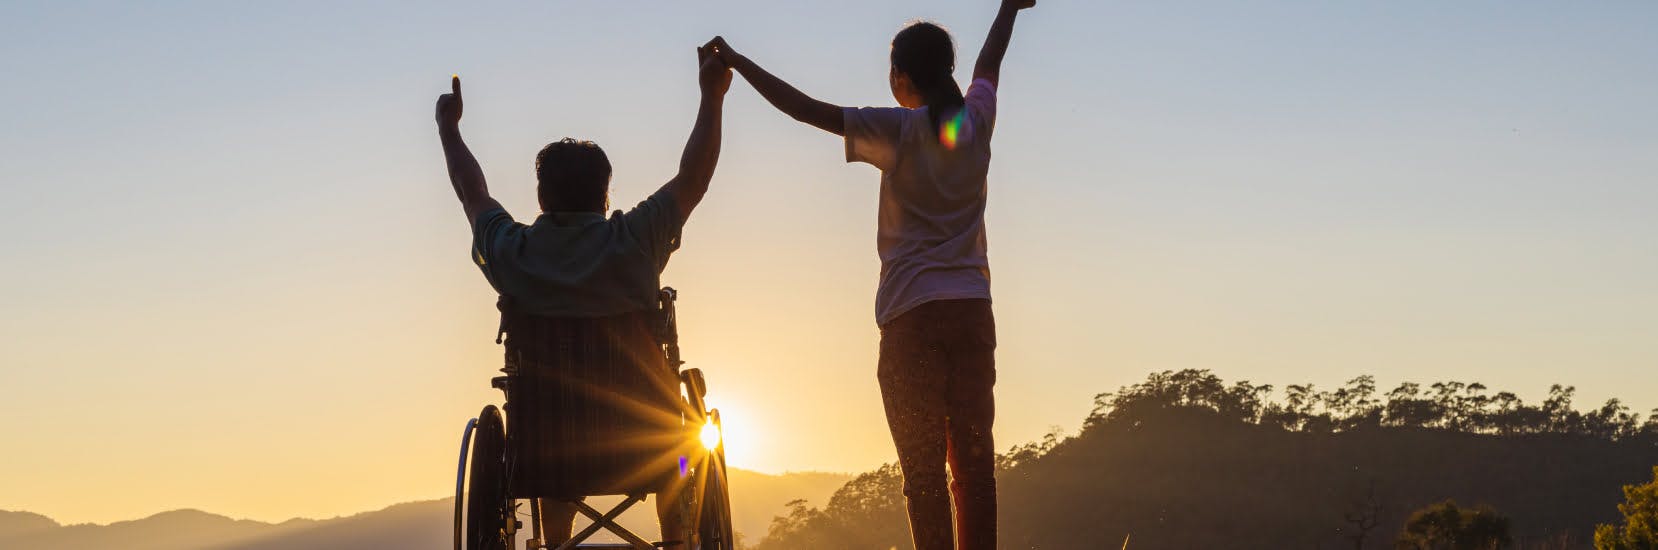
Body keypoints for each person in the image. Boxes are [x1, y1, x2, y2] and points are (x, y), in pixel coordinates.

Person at [708, 1, 1035, 548]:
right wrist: (1008, 8)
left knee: (925, 477)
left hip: (911, 322)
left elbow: (806, 110)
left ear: (901, 78)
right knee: (975, 470)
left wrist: (739, 63)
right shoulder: (975, 123)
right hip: (972, 314)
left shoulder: (898, 130)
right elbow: (990, 66)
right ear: (947, 73)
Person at [435, 41, 732, 549]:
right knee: (684, 436)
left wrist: (448, 129)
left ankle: (555, 542)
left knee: (551, 409)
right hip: (650, 447)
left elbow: (473, 194)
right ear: (605, 195)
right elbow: (695, 176)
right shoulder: (636, 240)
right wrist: (711, 96)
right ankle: (678, 536)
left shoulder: (516, 251)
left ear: (541, 197)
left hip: (544, 453)